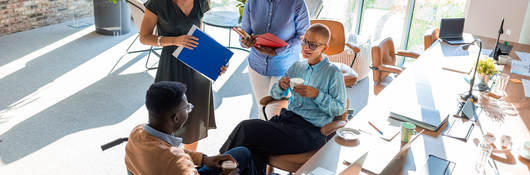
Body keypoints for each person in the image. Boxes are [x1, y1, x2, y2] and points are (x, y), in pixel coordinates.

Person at [220, 24, 347, 174]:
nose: (306, 47)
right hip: (286, 122)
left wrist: (316, 94)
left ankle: (215, 167)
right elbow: (276, 95)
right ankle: (222, 168)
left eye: (312, 45)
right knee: (252, 148)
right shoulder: (297, 67)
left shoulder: (333, 73)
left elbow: (340, 109)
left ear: (324, 48)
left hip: (309, 132)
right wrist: (281, 85)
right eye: (304, 41)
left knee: (246, 129)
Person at [139, 0, 226, 151]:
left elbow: (199, 35)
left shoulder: (201, 2)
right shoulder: (157, 3)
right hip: (170, 67)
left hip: (196, 68)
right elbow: (144, 37)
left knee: (194, 122)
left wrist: (214, 62)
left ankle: (189, 166)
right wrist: (174, 40)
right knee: (167, 120)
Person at [125, 81, 256, 175]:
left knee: (242, 152)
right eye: (187, 108)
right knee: (243, 155)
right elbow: (173, 158)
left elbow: (167, 153)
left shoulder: (137, 132)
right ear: (175, 117)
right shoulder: (178, 163)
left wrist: (204, 159)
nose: (189, 110)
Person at [239, 0, 310, 120]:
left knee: (274, 115)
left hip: (285, 68)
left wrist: (277, 51)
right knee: (262, 111)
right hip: (257, 65)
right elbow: (244, 32)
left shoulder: (297, 3)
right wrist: (245, 41)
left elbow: (304, 38)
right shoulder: (252, 2)